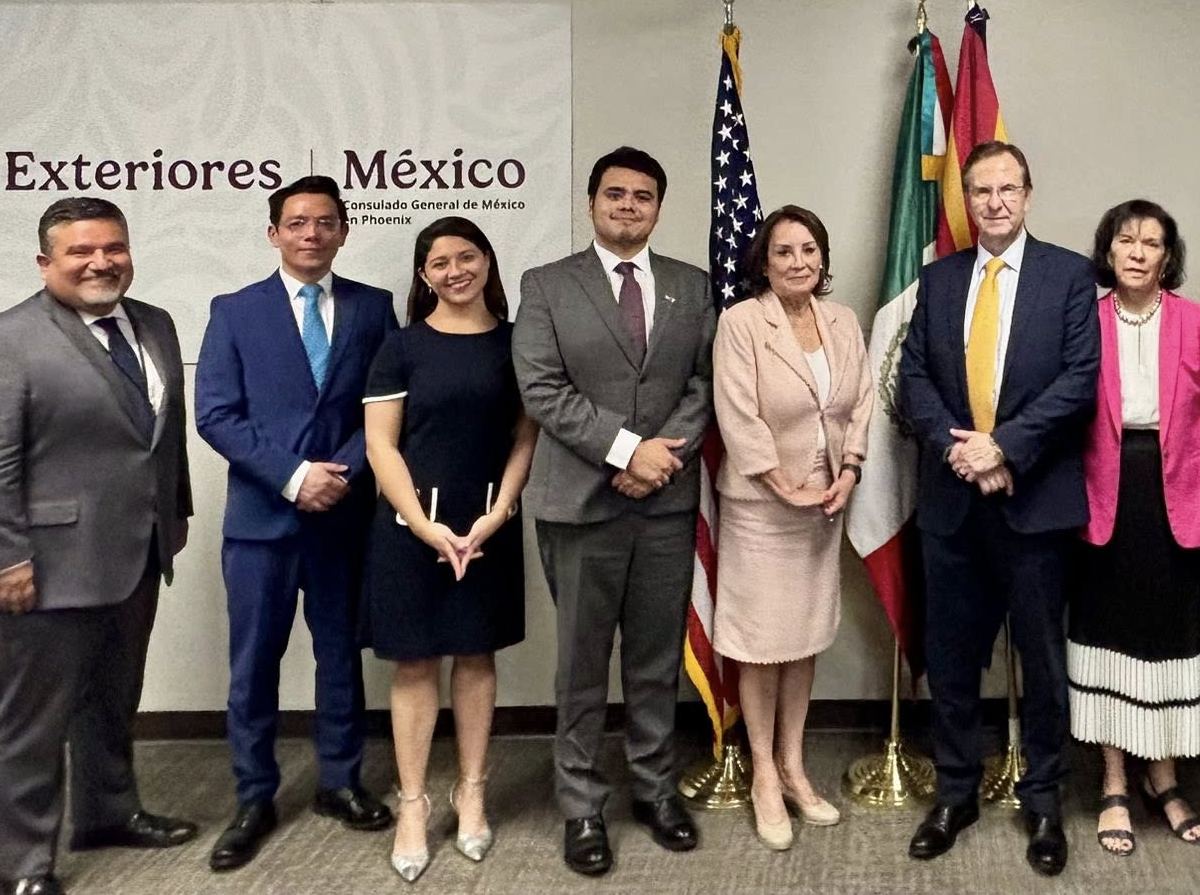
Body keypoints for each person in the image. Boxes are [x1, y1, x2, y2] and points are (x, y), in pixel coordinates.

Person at [0, 198, 198, 895]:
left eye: (113, 247)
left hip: (136, 554)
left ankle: (108, 814)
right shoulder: (0, 340)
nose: (100, 262)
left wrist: (172, 517)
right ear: (45, 262)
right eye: (80, 251)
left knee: (112, 701)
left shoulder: (154, 323)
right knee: (32, 724)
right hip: (40, 568)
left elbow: (158, 437)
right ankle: (24, 865)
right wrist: (5, 559)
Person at [896, 140, 1100, 878]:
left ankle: (1043, 801)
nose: (994, 202)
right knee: (951, 660)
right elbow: (914, 377)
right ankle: (955, 793)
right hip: (952, 504)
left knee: (1042, 662)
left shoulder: (1069, 275)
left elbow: (1079, 381)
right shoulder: (940, 277)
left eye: (1007, 188)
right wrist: (961, 452)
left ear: (1028, 194)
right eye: (981, 190)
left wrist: (1003, 449)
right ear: (968, 200)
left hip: (1034, 502)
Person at [511, 145, 716, 875]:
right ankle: (582, 804)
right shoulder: (546, 285)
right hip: (580, 506)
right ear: (592, 202)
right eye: (616, 194)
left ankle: (655, 789)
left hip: (665, 504)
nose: (629, 206)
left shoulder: (691, 286)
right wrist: (629, 451)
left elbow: (704, 383)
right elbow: (541, 388)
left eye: (643, 196)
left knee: (655, 660)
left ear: (658, 207)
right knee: (581, 664)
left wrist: (661, 459)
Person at [196, 175, 399, 871]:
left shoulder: (374, 308)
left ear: (343, 231)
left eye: (325, 222)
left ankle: (340, 781)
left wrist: (341, 473)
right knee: (254, 663)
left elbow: (386, 405)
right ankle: (254, 796)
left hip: (343, 515)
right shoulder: (234, 311)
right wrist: (292, 476)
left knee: (340, 655)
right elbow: (216, 413)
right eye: (297, 223)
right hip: (261, 521)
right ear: (273, 233)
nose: (311, 234)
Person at [362, 218, 537, 881]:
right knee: (414, 664)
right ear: (423, 275)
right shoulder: (401, 347)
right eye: (440, 262)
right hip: (411, 530)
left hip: (489, 525)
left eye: (467, 257)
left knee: (475, 655)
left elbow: (526, 436)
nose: (455, 271)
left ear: (488, 261)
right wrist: (422, 526)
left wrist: (499, 513)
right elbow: (381, 445)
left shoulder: (517, 344)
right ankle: (413, 802)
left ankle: (472, 791)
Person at [1071, 200, 1200, 859]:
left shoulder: (1196, 321)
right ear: (1108, 250)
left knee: (1171, 638)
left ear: (1168, 256)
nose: (1138, 252)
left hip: (1183, 498)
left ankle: (1163, 777)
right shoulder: (1084, 318)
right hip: (1104, 500)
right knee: (1111, 637)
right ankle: (1114, 781)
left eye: (1152, 243)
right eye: (1126, 240)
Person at [710, 205, 874, 850]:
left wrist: (850, 471)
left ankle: (793, 766)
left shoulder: (843, 321)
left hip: (824, 504)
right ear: (764, 261)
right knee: (760, 645)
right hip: (761, 507)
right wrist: (784, 486)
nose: (798, 262)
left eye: (808, 250)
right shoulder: (741, 323)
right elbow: (737, 413)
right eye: (784, 252)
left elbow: (861, 403)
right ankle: (762, 776)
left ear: (822, 258)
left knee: (803, 640)